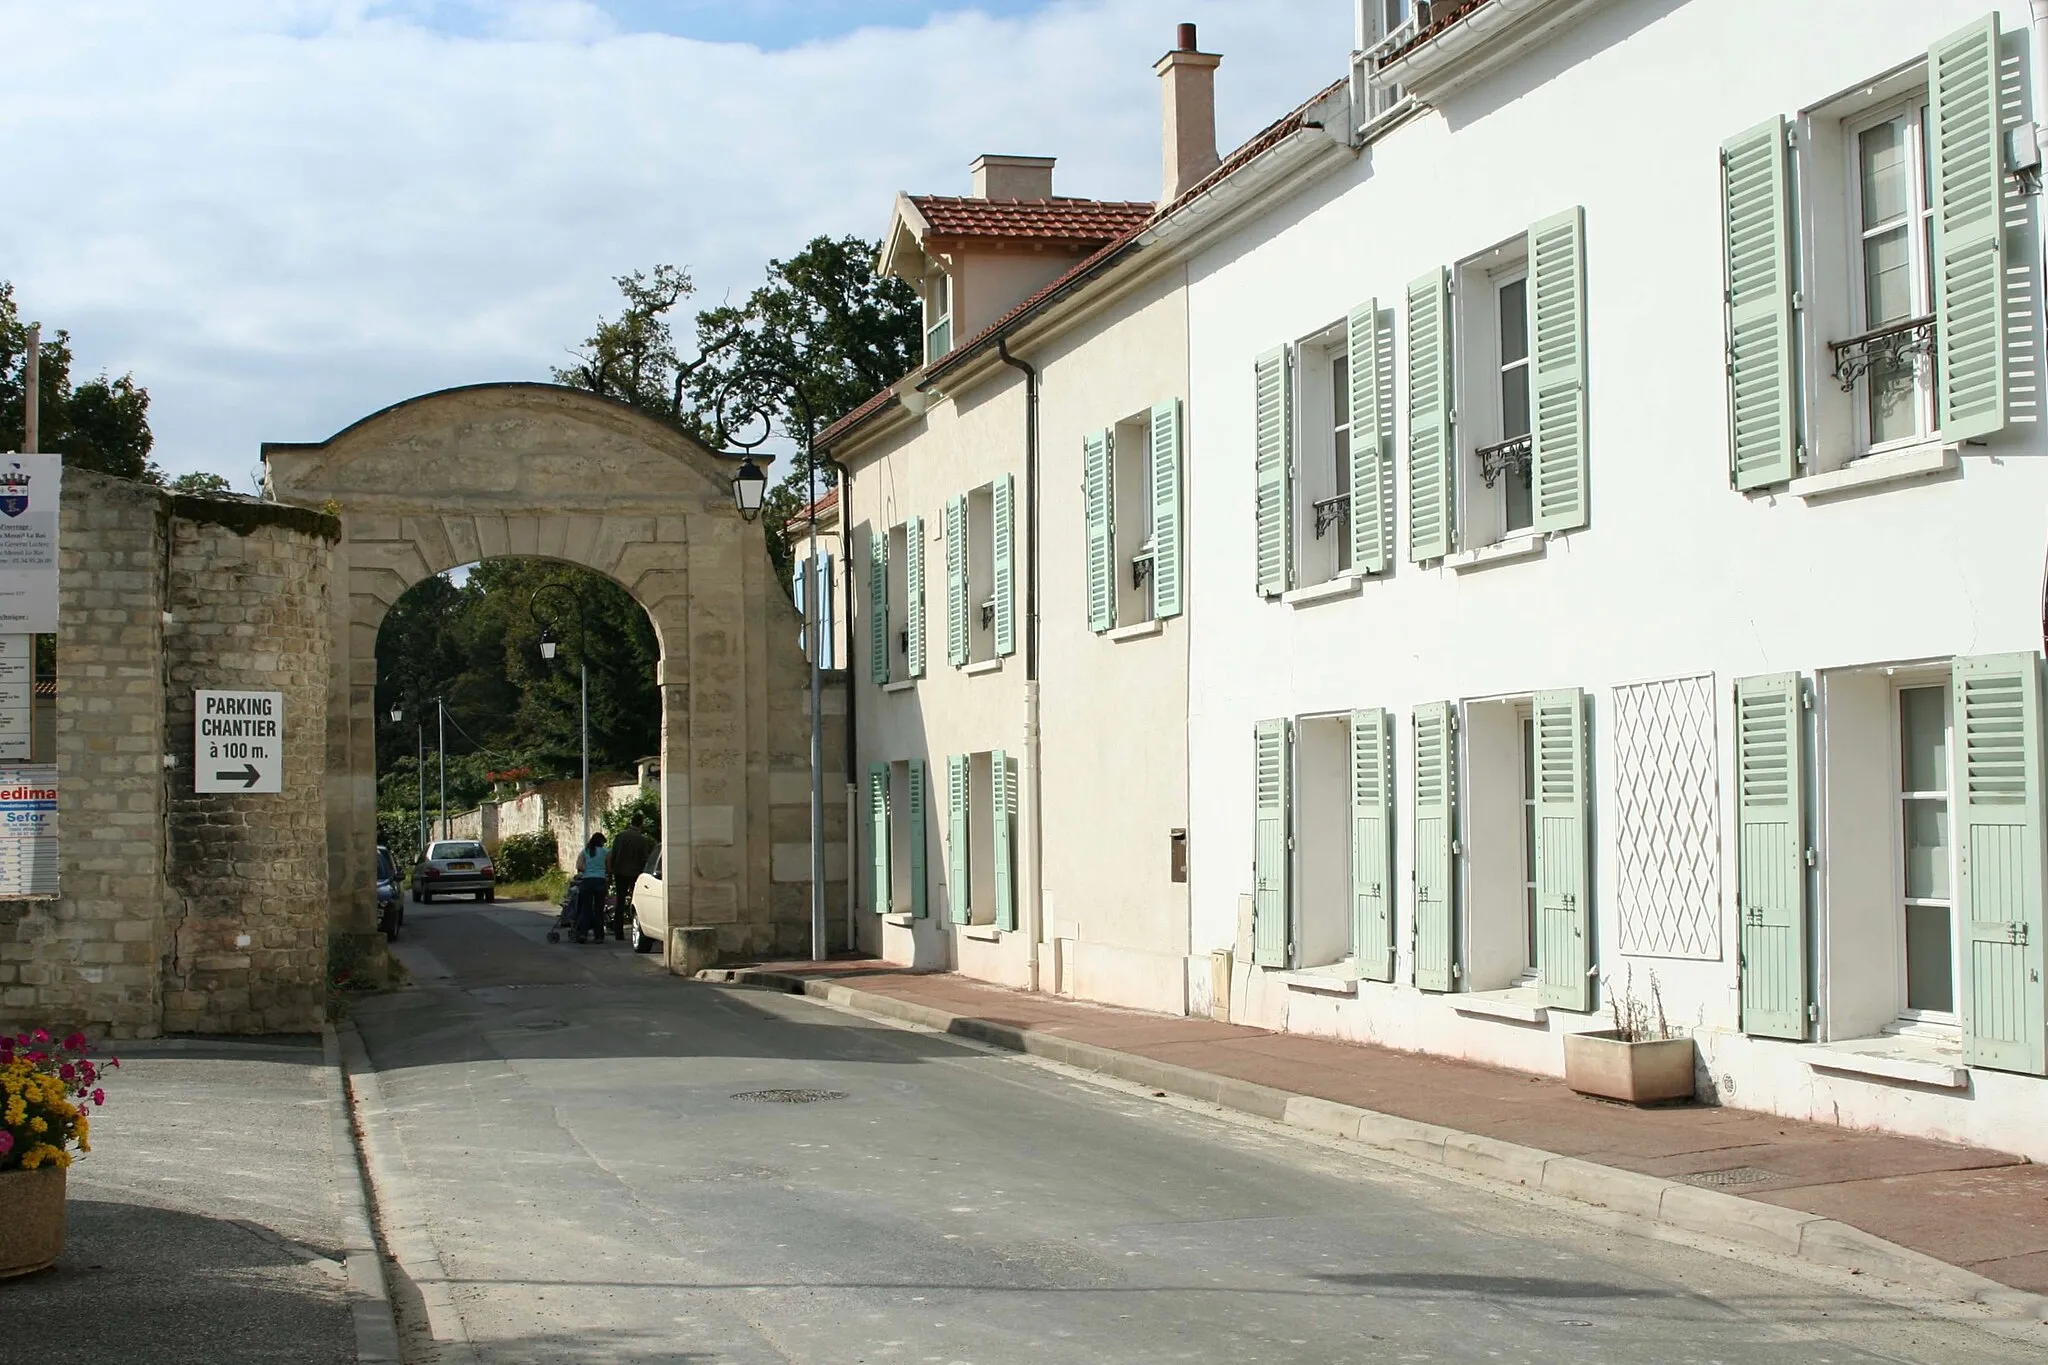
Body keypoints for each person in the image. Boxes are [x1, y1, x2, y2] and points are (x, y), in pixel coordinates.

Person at [606, 815, 654, 941]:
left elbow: (613, 854)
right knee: (638, 902)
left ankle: (618, 932)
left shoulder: (620, 836)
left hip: (620, 872)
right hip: (635, 874)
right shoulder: (641, 839)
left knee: (620, 903)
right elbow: (645, 858)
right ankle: (639, 930)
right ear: (641, 824)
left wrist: (611, 871)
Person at [573, 832, 610, 944]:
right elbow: (609, 867)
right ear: (601, 842)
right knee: (599, 909)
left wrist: (587, 870)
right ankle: (598, 936)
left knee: (586, 909)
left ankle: (583, 934)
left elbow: (579, 866)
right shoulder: (606, 852)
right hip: (600, 881)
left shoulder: (585, 851)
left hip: (587, 881)